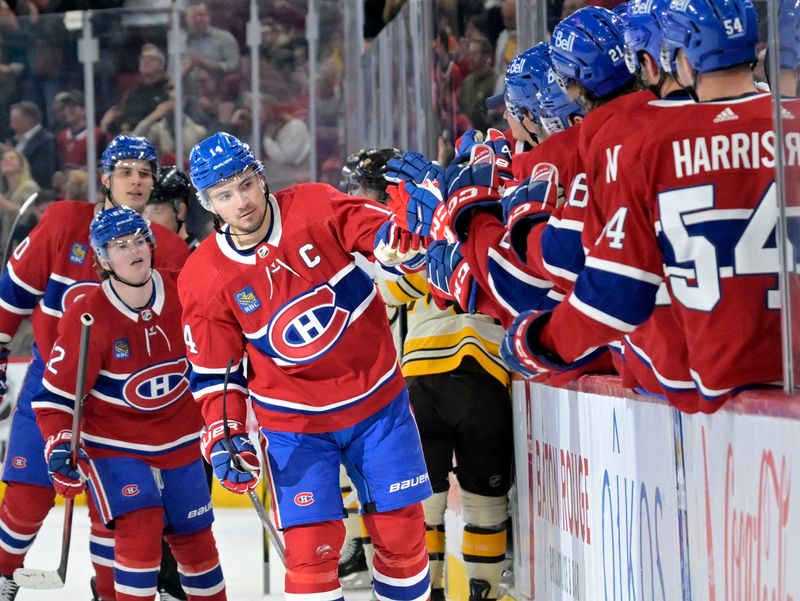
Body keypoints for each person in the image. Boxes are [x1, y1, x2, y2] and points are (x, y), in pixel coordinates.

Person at [504, 0, 792, 414]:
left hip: (711, 383)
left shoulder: (646, 144)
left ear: (668, 60)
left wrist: (539, 342)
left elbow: (616, 290)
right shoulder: (790, 120)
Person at [178, 132, 432, 601]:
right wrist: (227, 436)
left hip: (377, 403)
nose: (242, 201)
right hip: (294, 424)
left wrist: (397, 246)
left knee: (401, 537)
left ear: (261, 176)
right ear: (208, 202)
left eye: (245, 184)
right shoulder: (204, 275)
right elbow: (217, 374)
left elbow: (378, 233)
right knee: (309, 553)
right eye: (224, 194)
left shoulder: (314, 205)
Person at [0, 134, 190, 601]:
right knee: (28, 495)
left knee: (117, 513)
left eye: (145, 174)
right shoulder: (66, 222)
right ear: (105, 177)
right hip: (52, 387)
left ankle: (108, 592)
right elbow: (13, 295)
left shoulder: (165, 248)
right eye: (125, 171)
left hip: (121, 404)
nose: (136, 181)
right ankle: (2, 575)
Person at [32, 206, 227, 601]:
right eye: (120, 246)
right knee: (139, 528)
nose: (134, 250)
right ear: (102, 259)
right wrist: (58, 443)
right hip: (115, 447)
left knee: (196, 542)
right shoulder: (87, 314)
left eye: (139, 240)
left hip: (181, 441)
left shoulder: (183, 289)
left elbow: (220, 349)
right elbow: (55, 399)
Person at [143, 166, 201, 249]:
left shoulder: (200, 258)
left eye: (157, 211)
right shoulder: (146, 256)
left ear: (180, 211)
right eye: (143, 212)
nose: (149, 221)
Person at [6, 100, 56, 189]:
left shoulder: (46, 142)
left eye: (15, 122)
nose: (11, 126)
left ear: (29, 120)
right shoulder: (13, 140)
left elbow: (42, 174)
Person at [0, 147, 38, 249]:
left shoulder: (29, 187)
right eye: (3, 158)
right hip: (6, 251)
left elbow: (29, 217)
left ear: (21, 165)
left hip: (23, 248)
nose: (6, 160)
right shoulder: (6, 194)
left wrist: (4, 204)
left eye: (11, 158)